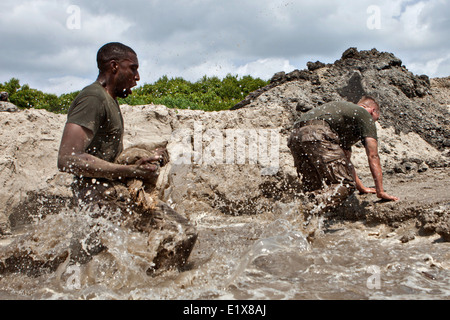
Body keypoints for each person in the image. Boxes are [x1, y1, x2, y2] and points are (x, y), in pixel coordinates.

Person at [57, 42, 197, 274]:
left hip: (106, 198)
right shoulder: (93, 98)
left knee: (85, 269)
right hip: (101, 199)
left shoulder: (108, 101)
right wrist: (132, 172)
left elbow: (106, 156)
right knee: (183, 232)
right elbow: (67, 159)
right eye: (132, 69)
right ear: (114, 66)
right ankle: (161, 288)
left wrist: (145, 158)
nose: (138, 77)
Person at [288, 96, 398, 215]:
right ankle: (306, 207)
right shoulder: (363, 113)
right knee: (345, 185)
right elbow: (373, 156)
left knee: (314, 187)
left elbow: (345, 162)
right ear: (372, 110)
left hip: (294, 135)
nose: (373, 123)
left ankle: (298, 213)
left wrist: (361, 188)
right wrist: (380, 191)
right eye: (375, 119)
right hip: (317, 132)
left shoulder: (341, 117)